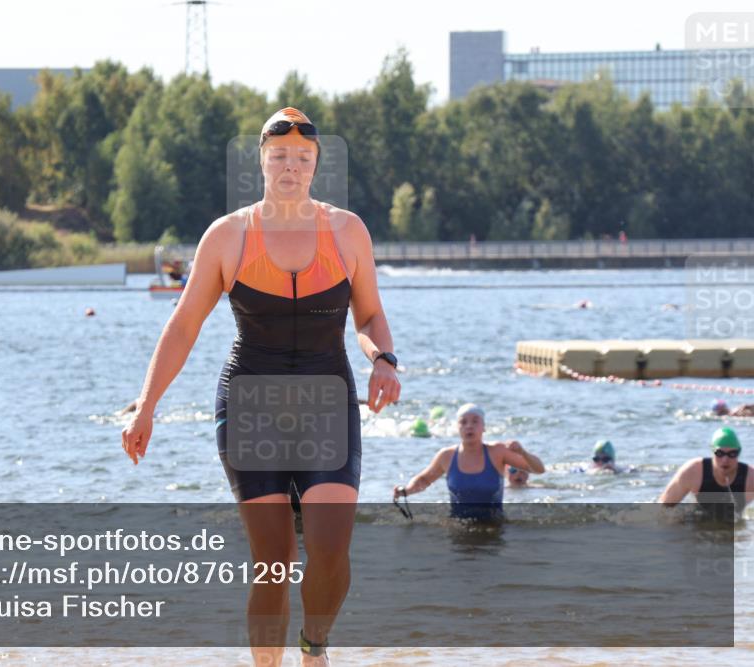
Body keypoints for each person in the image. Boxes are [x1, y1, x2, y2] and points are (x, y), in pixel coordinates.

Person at [121, 107, 400, 667]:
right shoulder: (228, 236)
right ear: (262, 163)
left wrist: (384, 360)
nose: (291, 166)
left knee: (329, 549)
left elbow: (369, 317)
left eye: (302, 157)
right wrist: (146, 405)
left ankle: (313, 647)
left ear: (316, 164)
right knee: (273, 559)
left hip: (327, 402)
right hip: (251, 403)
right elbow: (183, 324)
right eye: (280, 157)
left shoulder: (347, 233)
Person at [392, 404, 544, 520]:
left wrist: (523, 452)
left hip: (494, 526)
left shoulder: (497, 452)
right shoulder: (447, 456)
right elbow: (424, 480)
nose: (469, 426)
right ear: (457, 428)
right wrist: (406, 491)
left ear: (483, 427)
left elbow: (538, 469)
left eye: (475, 421)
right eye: (463, 422)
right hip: (458, 526)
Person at [659, 427, 753, 515]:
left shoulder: (750, 478)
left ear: (739, 453)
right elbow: (662, 508)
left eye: (732, 454)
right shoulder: (693, 471)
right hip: (697, 524)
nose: (725, 460)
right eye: (719, 453)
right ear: (712, 451)